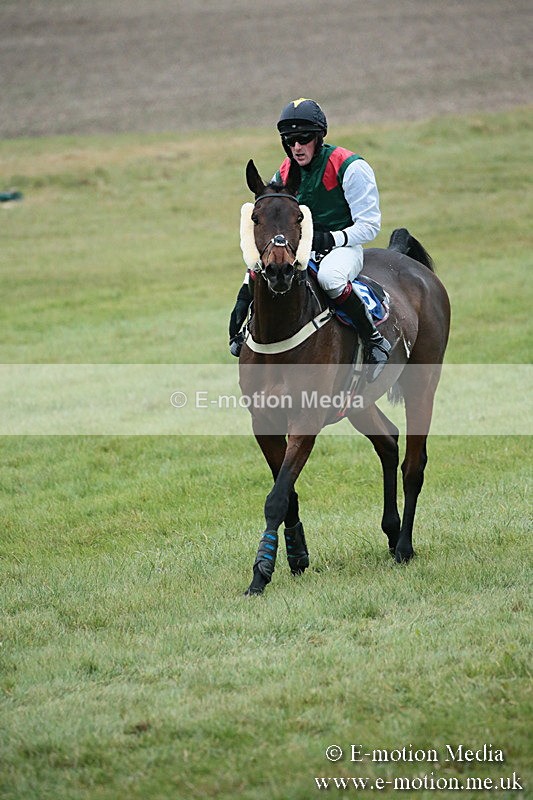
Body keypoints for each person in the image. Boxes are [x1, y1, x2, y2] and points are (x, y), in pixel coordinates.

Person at [229, 97, 390, 381]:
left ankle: (375, 341)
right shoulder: (285, 171)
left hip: (344, 248)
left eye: (304, 139)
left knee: (330, 278)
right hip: (302, 249)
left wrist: (332, 239)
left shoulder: (350, 166)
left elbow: (370, 226)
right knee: (259, 271)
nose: (297, 147)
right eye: (290, 141)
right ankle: (238, 331)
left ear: (318, 137)